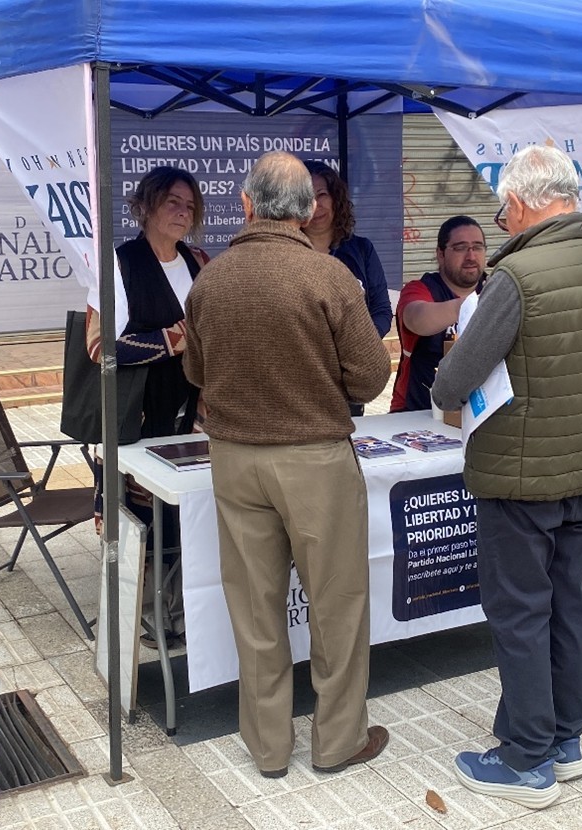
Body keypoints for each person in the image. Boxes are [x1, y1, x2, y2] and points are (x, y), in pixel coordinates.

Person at [433, 145, 582, 809]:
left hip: (516, 476)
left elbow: (453, 384)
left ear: (518, 204)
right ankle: (564, 738)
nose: (504, 223)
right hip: (579, 467)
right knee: (567, 603)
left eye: (503, 213)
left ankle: (525, 759)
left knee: (519, 614)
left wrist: (455, 370)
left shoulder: (516, 276)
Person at [183, 151, 393, 779]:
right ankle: (338, 740)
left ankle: (269, 747)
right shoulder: (328, 276)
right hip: (313, 459)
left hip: (234, 458)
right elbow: (372, 375)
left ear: (246, 205)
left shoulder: (210, 280)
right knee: (336, 605)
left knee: (255, 609)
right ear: (305, 211)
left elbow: (195, 371)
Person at [83, 166, 206, 647]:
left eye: (190, 205)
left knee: (187, 511)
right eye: (173, 201)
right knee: (145, 510)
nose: (183, 212)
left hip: (194, 411)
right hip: (137, 414)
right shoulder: (118, 265)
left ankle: (184, 608)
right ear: (146, 205)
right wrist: (176, 339)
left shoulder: (198, 262)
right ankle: (147, 612)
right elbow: (100, 348)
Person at [390, 215, 487, 412]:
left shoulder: (495, 288)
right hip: (418, 411)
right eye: (460, 248)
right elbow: (416, 319)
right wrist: (467, 306)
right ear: (440, 254)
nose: (471, 256)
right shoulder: (420, 289)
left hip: (478, 412)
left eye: (477, 247)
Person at [302, 160, 393, 338]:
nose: (316, 205)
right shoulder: (287, 253)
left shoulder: (362, 249)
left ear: (335, 199)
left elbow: (381, 309)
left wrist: (365, 342)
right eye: (306, 198)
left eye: (322, 194)